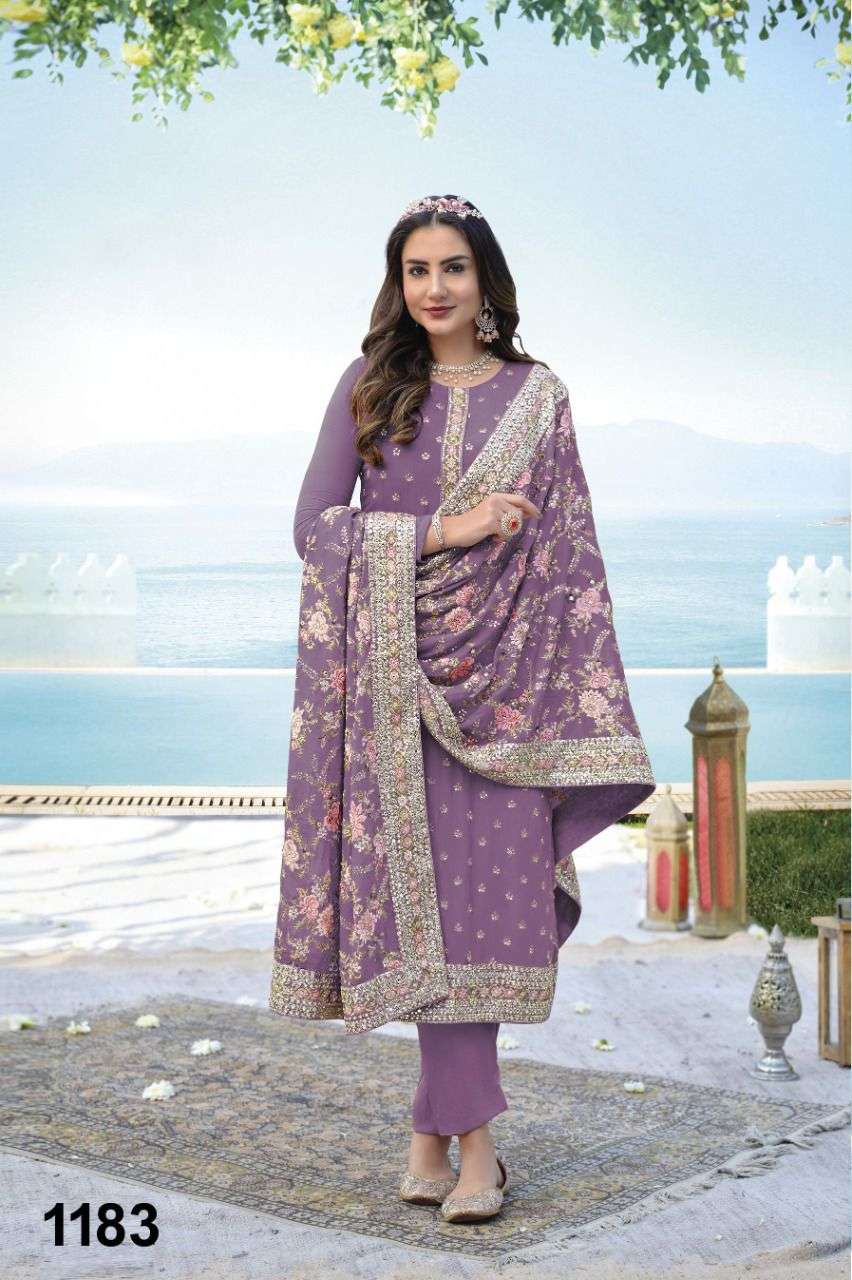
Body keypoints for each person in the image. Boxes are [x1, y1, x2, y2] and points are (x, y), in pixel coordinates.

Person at [269, 193, 656, 1224]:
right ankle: (475, 1145)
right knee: (422, 920)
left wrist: (572, 709)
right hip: (393, 688)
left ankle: (431, 1133)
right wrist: (448, 529)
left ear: (485, 279)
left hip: (510, 697)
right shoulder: (368, 384)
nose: (433, 288)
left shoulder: (539, 397)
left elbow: (570, 561)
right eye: (416, 270)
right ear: (397, 284)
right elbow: (313, 528)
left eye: (452, 267)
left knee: (479, 917)